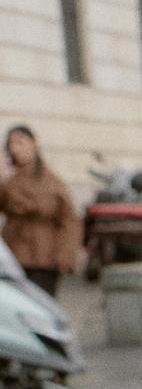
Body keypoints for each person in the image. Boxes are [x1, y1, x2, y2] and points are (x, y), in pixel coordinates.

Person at [1, 126, 82, 297]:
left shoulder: (52, 182)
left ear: (33, 144)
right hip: (13, 255)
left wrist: (65, 253)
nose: (15, 149)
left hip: (44, 257)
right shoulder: (8, 180)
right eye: (11, 144)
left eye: (20, 142)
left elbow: (69, 220)